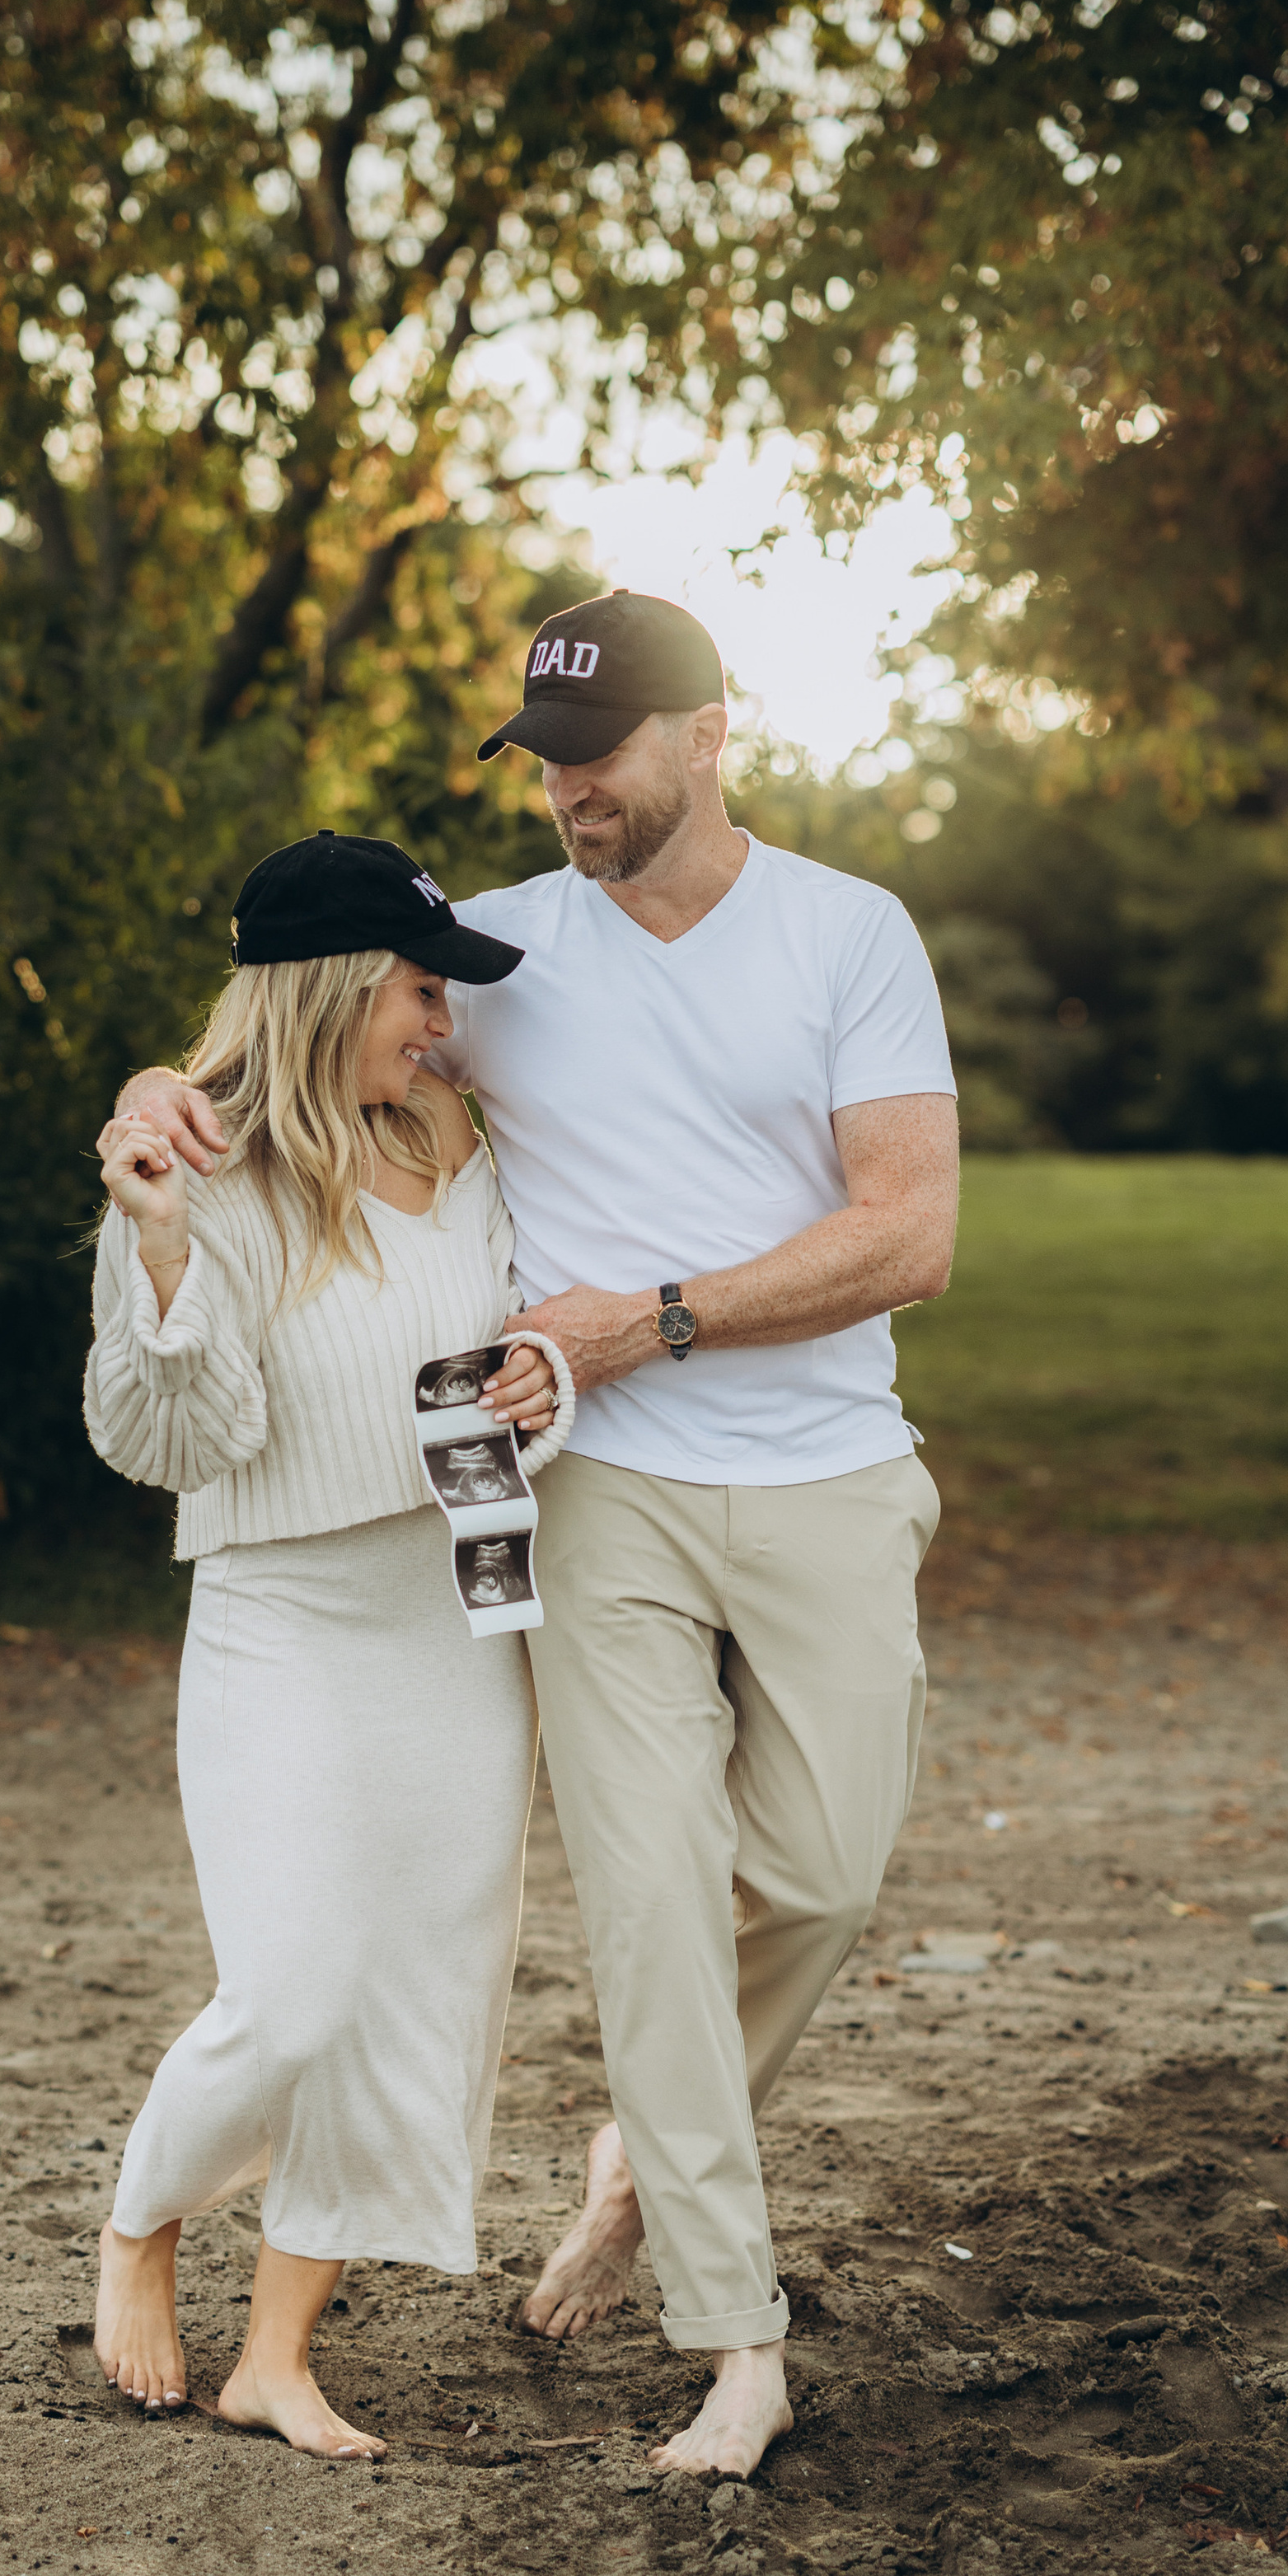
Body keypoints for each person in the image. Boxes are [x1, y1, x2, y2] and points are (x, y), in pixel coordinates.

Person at [115, 588, 959, 2480]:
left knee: (821, 1880)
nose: (569, 790)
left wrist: (645, 1320)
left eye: (599, 754)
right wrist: (151, 1098)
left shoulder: (847, 934)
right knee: (650, 1909)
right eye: (544, 761)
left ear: (708, 735)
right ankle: (734, 2342)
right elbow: (291, 1053)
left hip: (826, 1467)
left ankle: (643, 2150)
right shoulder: (491, 959)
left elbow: (907, 1232)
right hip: (596, 1495)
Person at [83, 829, 572, 2461]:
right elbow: (172, 1442)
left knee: (418, 1988)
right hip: (284, 1616)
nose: (440, 1023)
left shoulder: (453, 1132)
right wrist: (163, 1250)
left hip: (457, 1614)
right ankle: (141, 2225)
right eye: (420, 991)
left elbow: (523, 1351)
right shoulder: (190, 1168)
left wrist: (544, 1388)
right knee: (294, 1994)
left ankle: (276, 2357)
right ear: (337, 986)